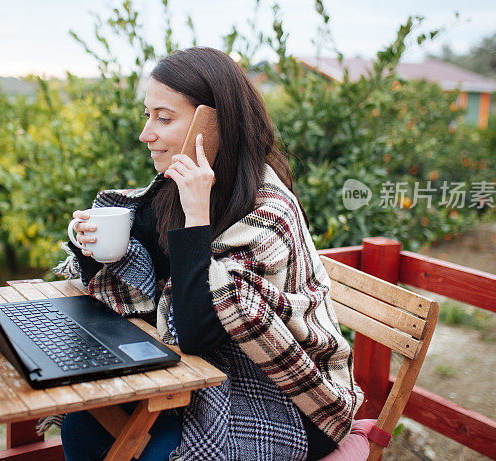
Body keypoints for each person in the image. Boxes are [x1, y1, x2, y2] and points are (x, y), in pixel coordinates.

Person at [50, 47, 363, 460]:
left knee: (152, 451)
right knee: (83, 424)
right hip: (207, 368)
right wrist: (88, 241)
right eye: (147, 115)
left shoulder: (269, 212)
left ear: (211, 124)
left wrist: (196, 217)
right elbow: (142, 263)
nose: (146, 133)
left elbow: (197, 333)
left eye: (163, 118)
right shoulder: (173, 190)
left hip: (287, 391)